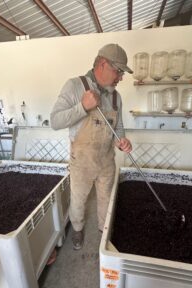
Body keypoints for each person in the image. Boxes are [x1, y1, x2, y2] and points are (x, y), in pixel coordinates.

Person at [50, 43, 132, 250]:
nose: (120, 77)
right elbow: (55, 121)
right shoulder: (75, 86)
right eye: (118, 71)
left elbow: (118, 126)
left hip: (106, 160)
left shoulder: (116, 96)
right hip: (82, 161)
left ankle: (104, 232)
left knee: (106, 199)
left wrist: (122, 141)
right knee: (78, 200)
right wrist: (82, 107)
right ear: (103, 64)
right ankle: (77, 229)